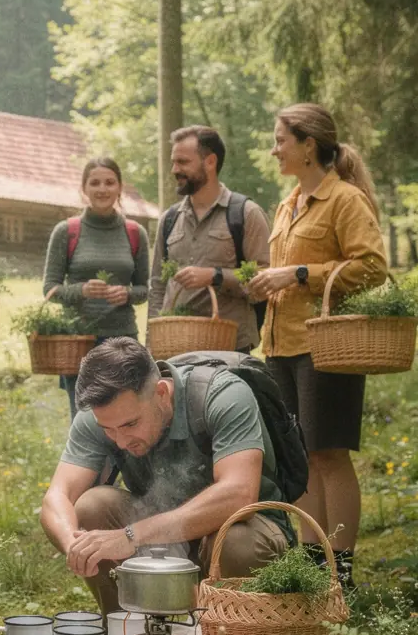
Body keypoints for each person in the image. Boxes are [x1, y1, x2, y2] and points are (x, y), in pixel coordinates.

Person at [40, 338, 293, 619]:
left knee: (237, 541)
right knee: (90, 507)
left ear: (160, 392)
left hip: (243, 537)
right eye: (108, 430)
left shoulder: (223, 395)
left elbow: (238, 495)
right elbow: (56, 497)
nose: (121, 441)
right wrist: (75, 545)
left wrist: (131, 536)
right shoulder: (101, 415)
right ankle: (128, 632)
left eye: (130, 424)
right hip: (161, 540)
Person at [248, 103, 387, 586]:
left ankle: (342, 569)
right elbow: (289, 271)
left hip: (328, 345)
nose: (275, 148)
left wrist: (301, 273)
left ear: (309, 145)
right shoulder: (288, 204)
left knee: (329, 453)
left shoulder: (345, 199)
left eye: (281, 139)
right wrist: (269, 282)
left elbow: (372, 266)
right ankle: (312, 563)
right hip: (281, 345)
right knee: (300, 456)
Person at [42, 158, 151, 418]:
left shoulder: (136, 233)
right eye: (95, 183)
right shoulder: (66, 231)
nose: (102, 189)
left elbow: (144, 289)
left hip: (122, 339)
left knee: (126, 418)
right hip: (78, 340)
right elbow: (50, 288)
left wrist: (126, 293)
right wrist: (81, 291)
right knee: (83, 419)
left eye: (109, 182)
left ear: (120, 188)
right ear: (84, 188)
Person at [148, 125, 270, 353]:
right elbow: (157, 286)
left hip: (230, 349)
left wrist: (216, 276)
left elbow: (265, 280)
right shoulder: (169, 219)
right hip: (175, 349)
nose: (174, 169)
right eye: (173, 162)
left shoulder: (245, 213)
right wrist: (151, 344)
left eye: (183, 162)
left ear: (210, 162)